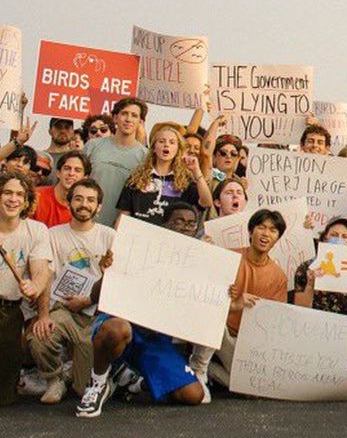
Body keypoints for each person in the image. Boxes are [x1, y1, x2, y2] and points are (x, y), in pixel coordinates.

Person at [77, 203, 210, 417]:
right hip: (125, 328)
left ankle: (131, 379)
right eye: (179, 221)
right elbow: (95, 296)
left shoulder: (198, 265)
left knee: (194, 396)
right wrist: (107, 273)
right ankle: (98, 382)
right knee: (116, 329)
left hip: (155, 340)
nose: (185, 228)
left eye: (191, 224)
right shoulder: (136, 248)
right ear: (165, 224)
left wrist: (225, 292)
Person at [28, 178, 115, 403]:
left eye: (90, 200)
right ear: (68, 203)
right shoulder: (53, 234)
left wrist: (88, 300)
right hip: (64, 310)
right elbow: (46, 276)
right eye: (78, 199)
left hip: (95, 314)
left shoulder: (109, 236)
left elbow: (118, 281)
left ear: (99, 207)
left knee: (81, 390)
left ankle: (89, 376)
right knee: (40, 334)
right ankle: (54, 379)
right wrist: (44, 315)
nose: (84, 204)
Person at [194, 209, 288, 389]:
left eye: (273, 230)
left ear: (278, 238)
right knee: (213, 319)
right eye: (261, 227)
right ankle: (199, 368)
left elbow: (274, 321)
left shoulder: (278, 277)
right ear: (251, 232)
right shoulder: (229, 258)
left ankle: (211, 370)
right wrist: (236, 305)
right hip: (220, 331)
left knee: (252, 388)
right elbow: (206, 299)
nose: (266, 234)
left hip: (245, 342)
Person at [0, 170, 53, 407]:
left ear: (27, 201)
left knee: (5, 397)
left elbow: (42, 270)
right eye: (7, 193)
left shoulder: (36, 230)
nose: (13, 199)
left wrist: (35, 286)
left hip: (8, 311)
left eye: (19, 194)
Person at [116, 125, 212, 226]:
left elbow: (206, 203)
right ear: (153, 148)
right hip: (139, 236)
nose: (166, 145)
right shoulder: (136, 178)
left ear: (178, 150)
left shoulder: (185, 181)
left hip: (170, 238)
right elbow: (124, 215)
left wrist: (197, 172)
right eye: (162, 141)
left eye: (172, 142)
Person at [84, 97, 149, 227]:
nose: (128, 119)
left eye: (134, 115)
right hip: (86, 222)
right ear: (114, 118)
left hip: (120, 229)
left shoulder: (146, 156)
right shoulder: (93, 146)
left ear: (140, 122)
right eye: (124, 113)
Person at [294, 218, 347, 317]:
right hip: (310, 325)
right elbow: (300, 309)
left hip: (341, 328)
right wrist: (310, 285)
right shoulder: (306, 268)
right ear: (325, 238)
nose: (339, 239)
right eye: (334, 235)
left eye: (344, 237)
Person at [34, 151, 90, 228]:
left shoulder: (83, 207)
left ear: (85, 177)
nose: (71, 173)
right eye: (67, 168)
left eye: (77, 170)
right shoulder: (37, 195)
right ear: (58, 173)